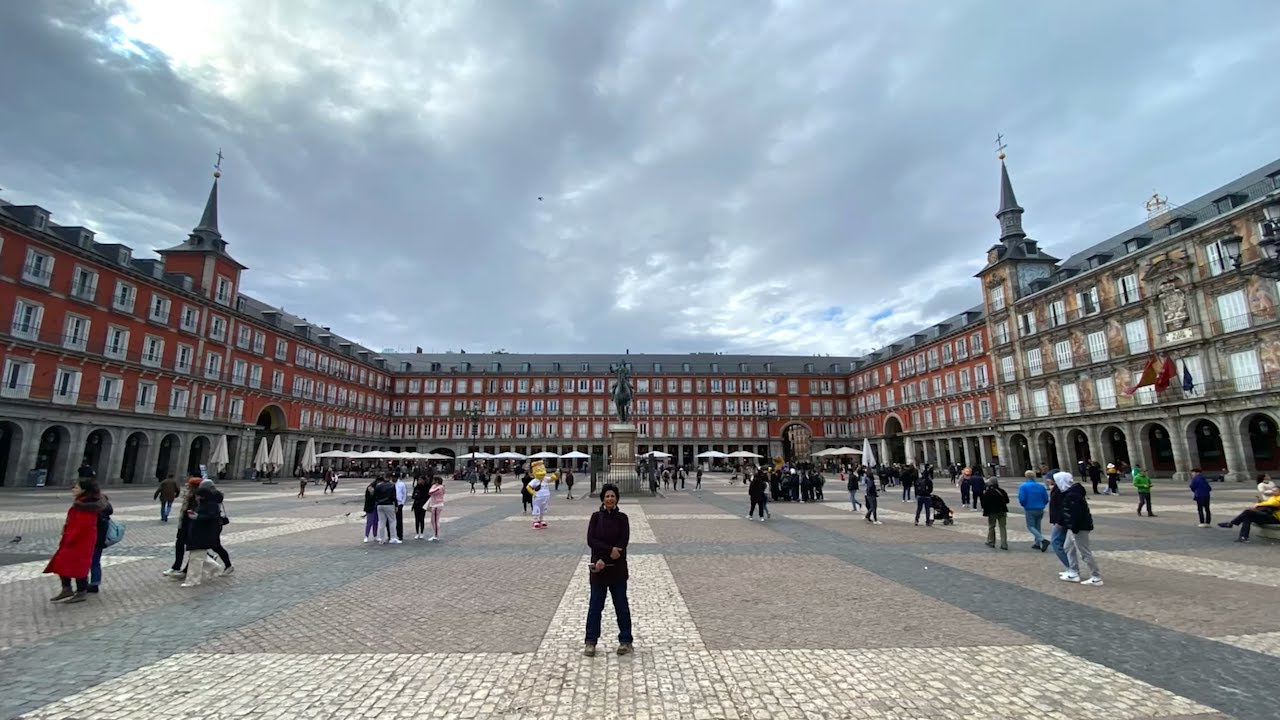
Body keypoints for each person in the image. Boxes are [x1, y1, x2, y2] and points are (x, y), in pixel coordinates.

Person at [584, 484, 633, 657]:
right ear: (603, 499)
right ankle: (590, 641)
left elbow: (623, 541)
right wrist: (604, 556)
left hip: (617, 569)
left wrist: (604, 557)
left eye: (613, 496)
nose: (610, 499)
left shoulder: (623, 518)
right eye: (607, 496)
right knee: (595, 607)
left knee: (621, 606)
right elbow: (591, 540)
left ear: (617, 499)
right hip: (598, 569)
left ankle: (626, 640)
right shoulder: (596, 517)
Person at [45, 478, 109, 604]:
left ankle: (81, 591)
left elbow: (84, 526)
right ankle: (67, 589)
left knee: (79, 566)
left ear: (84, 490)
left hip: (81, 541)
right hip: (73, 538)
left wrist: (70, 537)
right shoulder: (81, 502)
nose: (73, 489)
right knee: (61, 563)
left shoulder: (87, 505)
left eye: (76, 487)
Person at [182, 479, 229, 587]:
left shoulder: (211, 504)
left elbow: (212, 517)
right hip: (198, 532)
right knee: (199, 555)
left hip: (203, 534)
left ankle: (192, 580)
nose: (196, 497)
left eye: (198, 496)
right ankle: (215, 567)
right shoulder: (203, 504)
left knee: (196, 558)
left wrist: (197, 517)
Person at [1061, 473, 1102, 585]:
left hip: (1078, 527)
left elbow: (1077, 514)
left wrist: (1074, 528)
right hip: (1073, 527)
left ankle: (1096, 577)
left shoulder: (1072, 495)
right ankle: (1073, 572)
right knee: (1067, 547)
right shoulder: (1071, 493)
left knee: (1084, 552)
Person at [1017, 470, 1049, 551]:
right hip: (1040, 508)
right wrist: (1042, 504)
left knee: (1030, 526)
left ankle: (1042, 540)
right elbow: (1045, 498)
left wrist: (1024, 505)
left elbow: (1022, 498)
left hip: (1030, 508)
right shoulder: (1040, 486)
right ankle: (1037, 543)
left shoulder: (1023, 486)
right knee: (1037, 526)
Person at [981, 476, 1009, 550]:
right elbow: (1007, 500)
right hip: (1002, 511)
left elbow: (983, 503)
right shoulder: (1002, 491)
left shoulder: (988, 492)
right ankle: (1004, 544)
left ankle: (991, 541)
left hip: (992, 512)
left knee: (992, 526)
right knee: (1003, 527)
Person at [373, 475, 399, 544]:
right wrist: (396, 505)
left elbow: (375, 496)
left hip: (380, 504)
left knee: (381, 522)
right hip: (389, 504)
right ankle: (393, 538)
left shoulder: (378, 486)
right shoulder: (392, 485)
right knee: (392, 521)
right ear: (390, 478)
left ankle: (382, 539)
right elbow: (394, 496)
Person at [426, 476, 446, 541]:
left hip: (437, 505)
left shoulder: (439, 487)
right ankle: (435, 534)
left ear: (437, 481)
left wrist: (434, 486)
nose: (432, 482)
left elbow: (430, 492)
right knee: (433, 521)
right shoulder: (439, 487)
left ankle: (436, 535)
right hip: (435, 504)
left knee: (435, 520)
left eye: (434, 480)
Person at [362, 478, 379, 543]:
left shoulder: (378, 487)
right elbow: (368, 499)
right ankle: (366, 536)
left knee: (376, 522)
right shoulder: (370, 488)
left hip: (377, 507)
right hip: (370, 507)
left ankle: (375, 536)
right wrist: (372, 494)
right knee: (369, 522)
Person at [394, 474, 408, 542]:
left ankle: (400, 535)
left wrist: (402, 503)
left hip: (399, 503)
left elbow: (404, 493)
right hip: (391, 504)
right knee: (391, 521)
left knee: (399, 520)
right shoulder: (390, 484)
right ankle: (391, 535)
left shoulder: (401, 484)